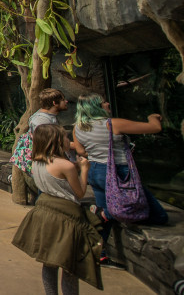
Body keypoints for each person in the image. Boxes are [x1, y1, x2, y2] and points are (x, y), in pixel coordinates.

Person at [71, 94, 168, 266]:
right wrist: (153, 116)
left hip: (95, 170)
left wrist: (97, 150)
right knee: (158, 215)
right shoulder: (112, 124)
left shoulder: (78, 128)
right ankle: (105, 214)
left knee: (105, 216)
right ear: (96, 107)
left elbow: (81, 151)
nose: (108, 103)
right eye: (103, 102)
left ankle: (98, 252)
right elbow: (154, 127)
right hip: (117, 172)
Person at [12, 124, 103, 294]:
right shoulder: (65, 166)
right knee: (69, 265)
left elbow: (56, 171)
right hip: (64, 218)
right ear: (57, 141)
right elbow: (80, 193)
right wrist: (84, 170)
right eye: (66, 137)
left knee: (49, 262)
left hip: (45, 213)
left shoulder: (36, 160)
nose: (69, 140)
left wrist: (74, 166)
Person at [16, 88, 69, 199]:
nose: (66, 101)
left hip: (49, 161)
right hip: (44, 162)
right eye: (63, 99)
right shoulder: (40, 121)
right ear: (54, 103)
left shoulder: (49, 117)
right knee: (46, 193)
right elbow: (45, 144)